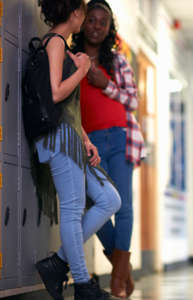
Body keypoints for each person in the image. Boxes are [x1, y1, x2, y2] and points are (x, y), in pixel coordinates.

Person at [33, 1, 121, 299]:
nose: (84, 19)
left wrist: (85, 138)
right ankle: (83, 284)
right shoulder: (55, 43)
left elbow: (67, 106)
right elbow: (57, 92)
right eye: (83, 12)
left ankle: (57, 263)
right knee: (72, 211)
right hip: (58, 139)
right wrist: (83, 69)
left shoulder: (62, 44)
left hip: (71, 137)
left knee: (110, 199)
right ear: (74, 14)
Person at [71, 0, 146, 298]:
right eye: (92, 20)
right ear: (83, 22)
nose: (96, 26)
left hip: (119, 138)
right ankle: (121, 268)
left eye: (103, 22)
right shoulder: (70, 58)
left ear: (109, 28)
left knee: (124, 207)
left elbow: (133, 101)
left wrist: (106, 84)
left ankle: (116, 279)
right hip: (89, 142)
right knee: (94, 205)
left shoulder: (117, 62)